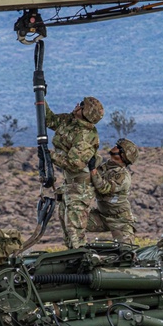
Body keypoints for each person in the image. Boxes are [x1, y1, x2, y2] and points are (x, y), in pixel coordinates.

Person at [46, 96, 103, 248]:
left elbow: (74, 165)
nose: (77, 105)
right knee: (67, 232)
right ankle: (73, 264)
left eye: (82, 105)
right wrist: (41, 97)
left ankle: (83, 264)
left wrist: (49, 155)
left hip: (79, 189)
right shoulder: (69, 121)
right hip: (69, 185)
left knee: (75, 233)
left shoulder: (86, 136)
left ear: (86, 112)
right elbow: (49, 120)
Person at [86, 139, 139, 244]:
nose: (114, 147)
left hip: (120, 220)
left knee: (125, 254)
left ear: (123, 155)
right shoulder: (105, 167)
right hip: (102, 216)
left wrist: (93, 170)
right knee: (74, 220)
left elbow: (104, 188)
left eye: (119, 147)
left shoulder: (123, 176)